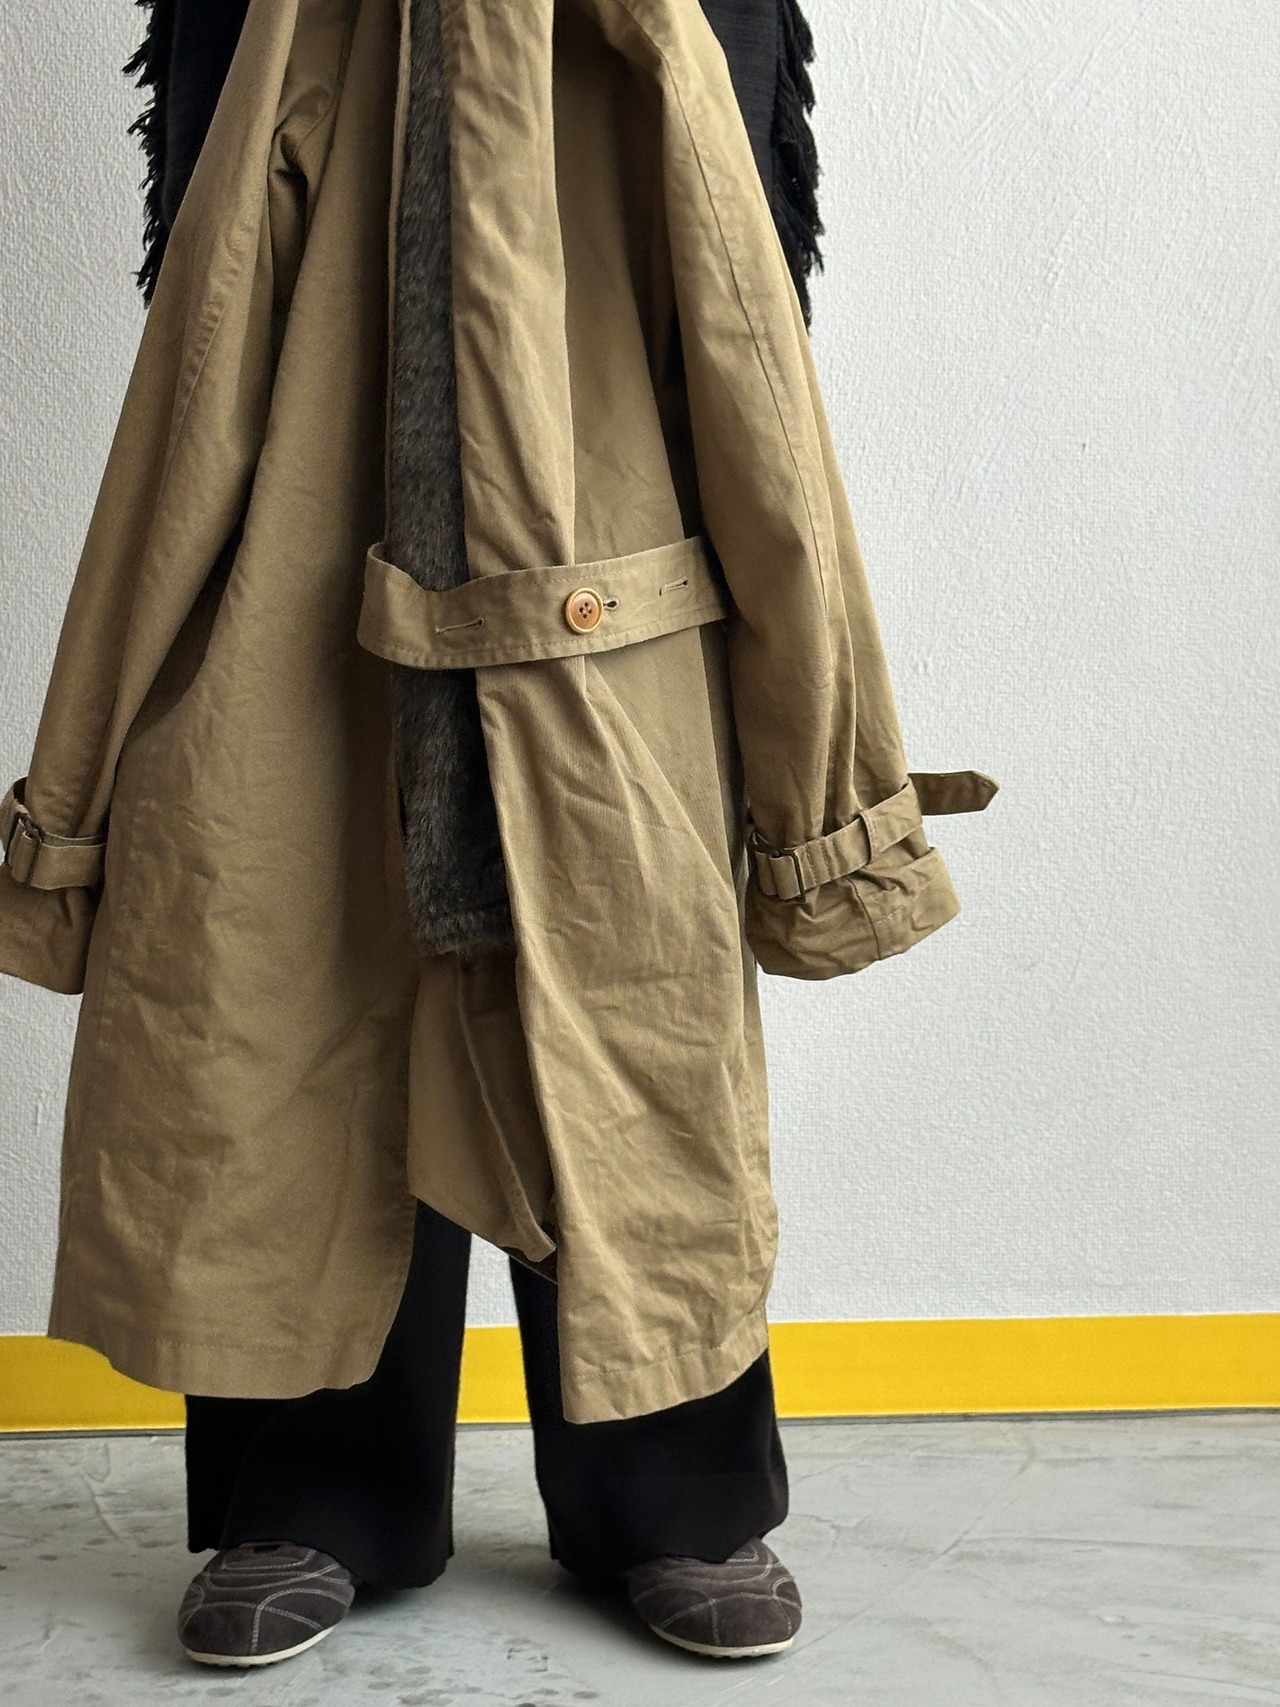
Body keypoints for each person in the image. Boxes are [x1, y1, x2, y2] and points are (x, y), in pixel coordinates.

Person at [0, 0, 997, 1671]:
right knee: (289, 931)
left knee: (622, 971)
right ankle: (310, 1495)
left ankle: (672, 1489)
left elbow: (744, 333)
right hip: (310, 493)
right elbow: (203, 333)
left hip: (607, 518)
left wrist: (828, 792)